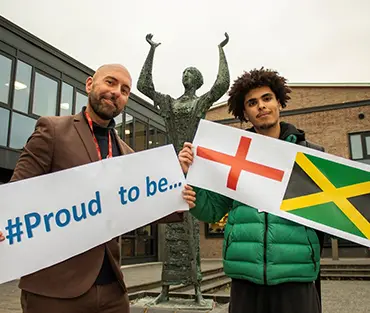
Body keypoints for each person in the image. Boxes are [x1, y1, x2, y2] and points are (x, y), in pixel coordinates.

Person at [0, 63, 181, 313]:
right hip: (54, 290)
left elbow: (149, 206)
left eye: (125, 90)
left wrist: (180, 182)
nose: (117, 92)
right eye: (110, 82)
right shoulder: (52, 130)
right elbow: (16, 190)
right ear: (89, 85)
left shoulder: (128, 155)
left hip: (113, 293)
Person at [180, 67, 325, 313]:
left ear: (279, 102)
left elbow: (328, 214)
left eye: (267, 98)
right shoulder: (234, 156)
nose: (261, 106)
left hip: (296, 280)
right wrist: (191, 179)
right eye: (252, 102)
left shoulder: (310, 154)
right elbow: (212, 210)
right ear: (245, 112)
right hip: (245, 280)